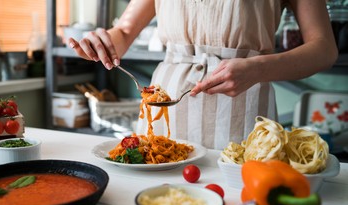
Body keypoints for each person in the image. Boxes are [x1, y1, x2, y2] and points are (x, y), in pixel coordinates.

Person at [68, 0, 338, 149]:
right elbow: (124, 33)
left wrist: (258, 68)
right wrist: (102, 42)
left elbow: (324, 48)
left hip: (245, 104)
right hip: (166, 109)